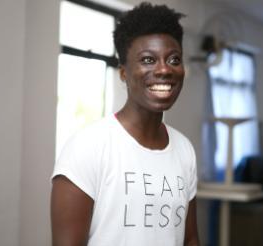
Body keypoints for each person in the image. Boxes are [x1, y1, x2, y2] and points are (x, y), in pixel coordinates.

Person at [51, 2, 199, 246]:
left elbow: (190, 239)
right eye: (148, 60)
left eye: (174, 59)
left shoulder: (184, 150)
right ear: (123, 73)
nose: (164, 69)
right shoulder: (87, 147)